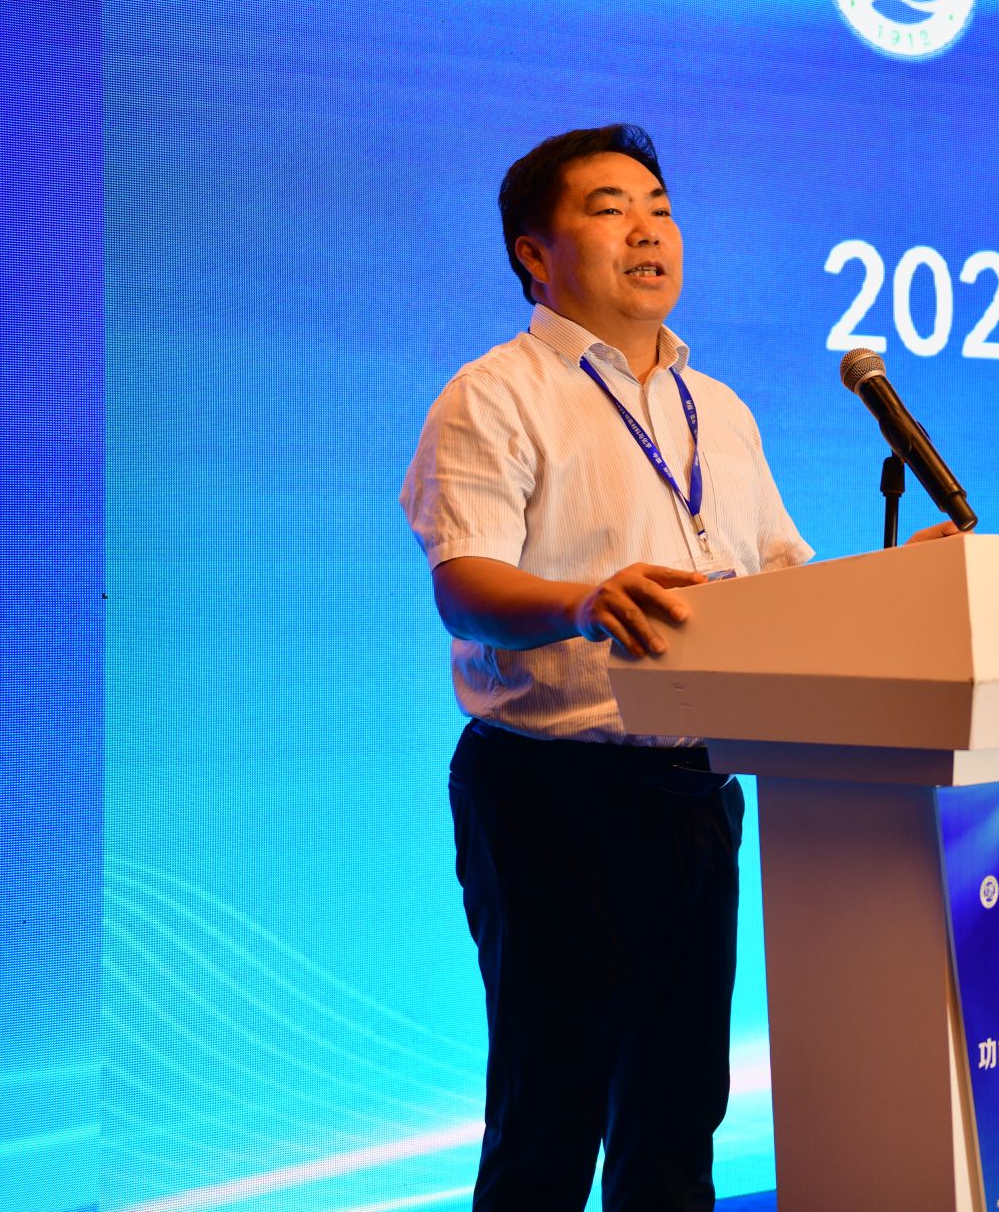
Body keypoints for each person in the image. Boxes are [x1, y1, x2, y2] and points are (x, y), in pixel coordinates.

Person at [400, 124, 950, 1210]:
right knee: (550, 1116)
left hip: (698, 790)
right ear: (533, 253)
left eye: (659, 207)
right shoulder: (495, 393)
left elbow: (782, 582)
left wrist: (900, 585)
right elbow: (463, 583)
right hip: (551, 793)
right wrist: (582, 600)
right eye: (609, 209)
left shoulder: (721, 410)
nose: (647, 229)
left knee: (678, 1112)